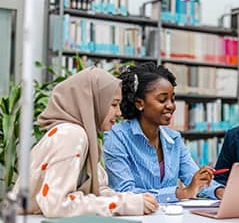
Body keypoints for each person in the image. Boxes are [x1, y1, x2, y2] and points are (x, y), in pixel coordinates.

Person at [12, 67, 158, 217]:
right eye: (114, 104)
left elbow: (97, 191)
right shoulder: (70, 135)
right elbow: (56, 205)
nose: (119, 113)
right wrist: (124, 205)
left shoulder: (85, 137)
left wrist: (132, 200)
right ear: (92, 102)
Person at [103, 62, 224, 203]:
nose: (171, 106)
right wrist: (181, 193)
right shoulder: (116, 136)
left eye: (173, 99)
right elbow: (124, 191)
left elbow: (193, 178)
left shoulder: (174, 138)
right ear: (139, 103)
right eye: (162, 100)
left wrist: (220, 191)